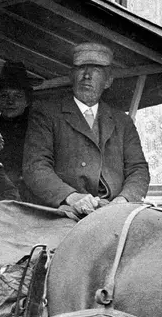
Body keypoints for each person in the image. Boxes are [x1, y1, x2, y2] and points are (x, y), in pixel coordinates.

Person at [22, 42, 150, 217]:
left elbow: (138, 169)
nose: (87, 76)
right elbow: (35, 167)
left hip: (113, 211)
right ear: (71, 76)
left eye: (96, 70)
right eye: (81, 69)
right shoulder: (46, 113)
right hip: (65, 211)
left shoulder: (122, 121)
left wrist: (123, 200)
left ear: (108, 81)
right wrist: (71, 197)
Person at [0, 61, 34, 200]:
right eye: (4, 96)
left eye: (17, 96)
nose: (10, 102)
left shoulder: (38, 129)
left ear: (28, 101)